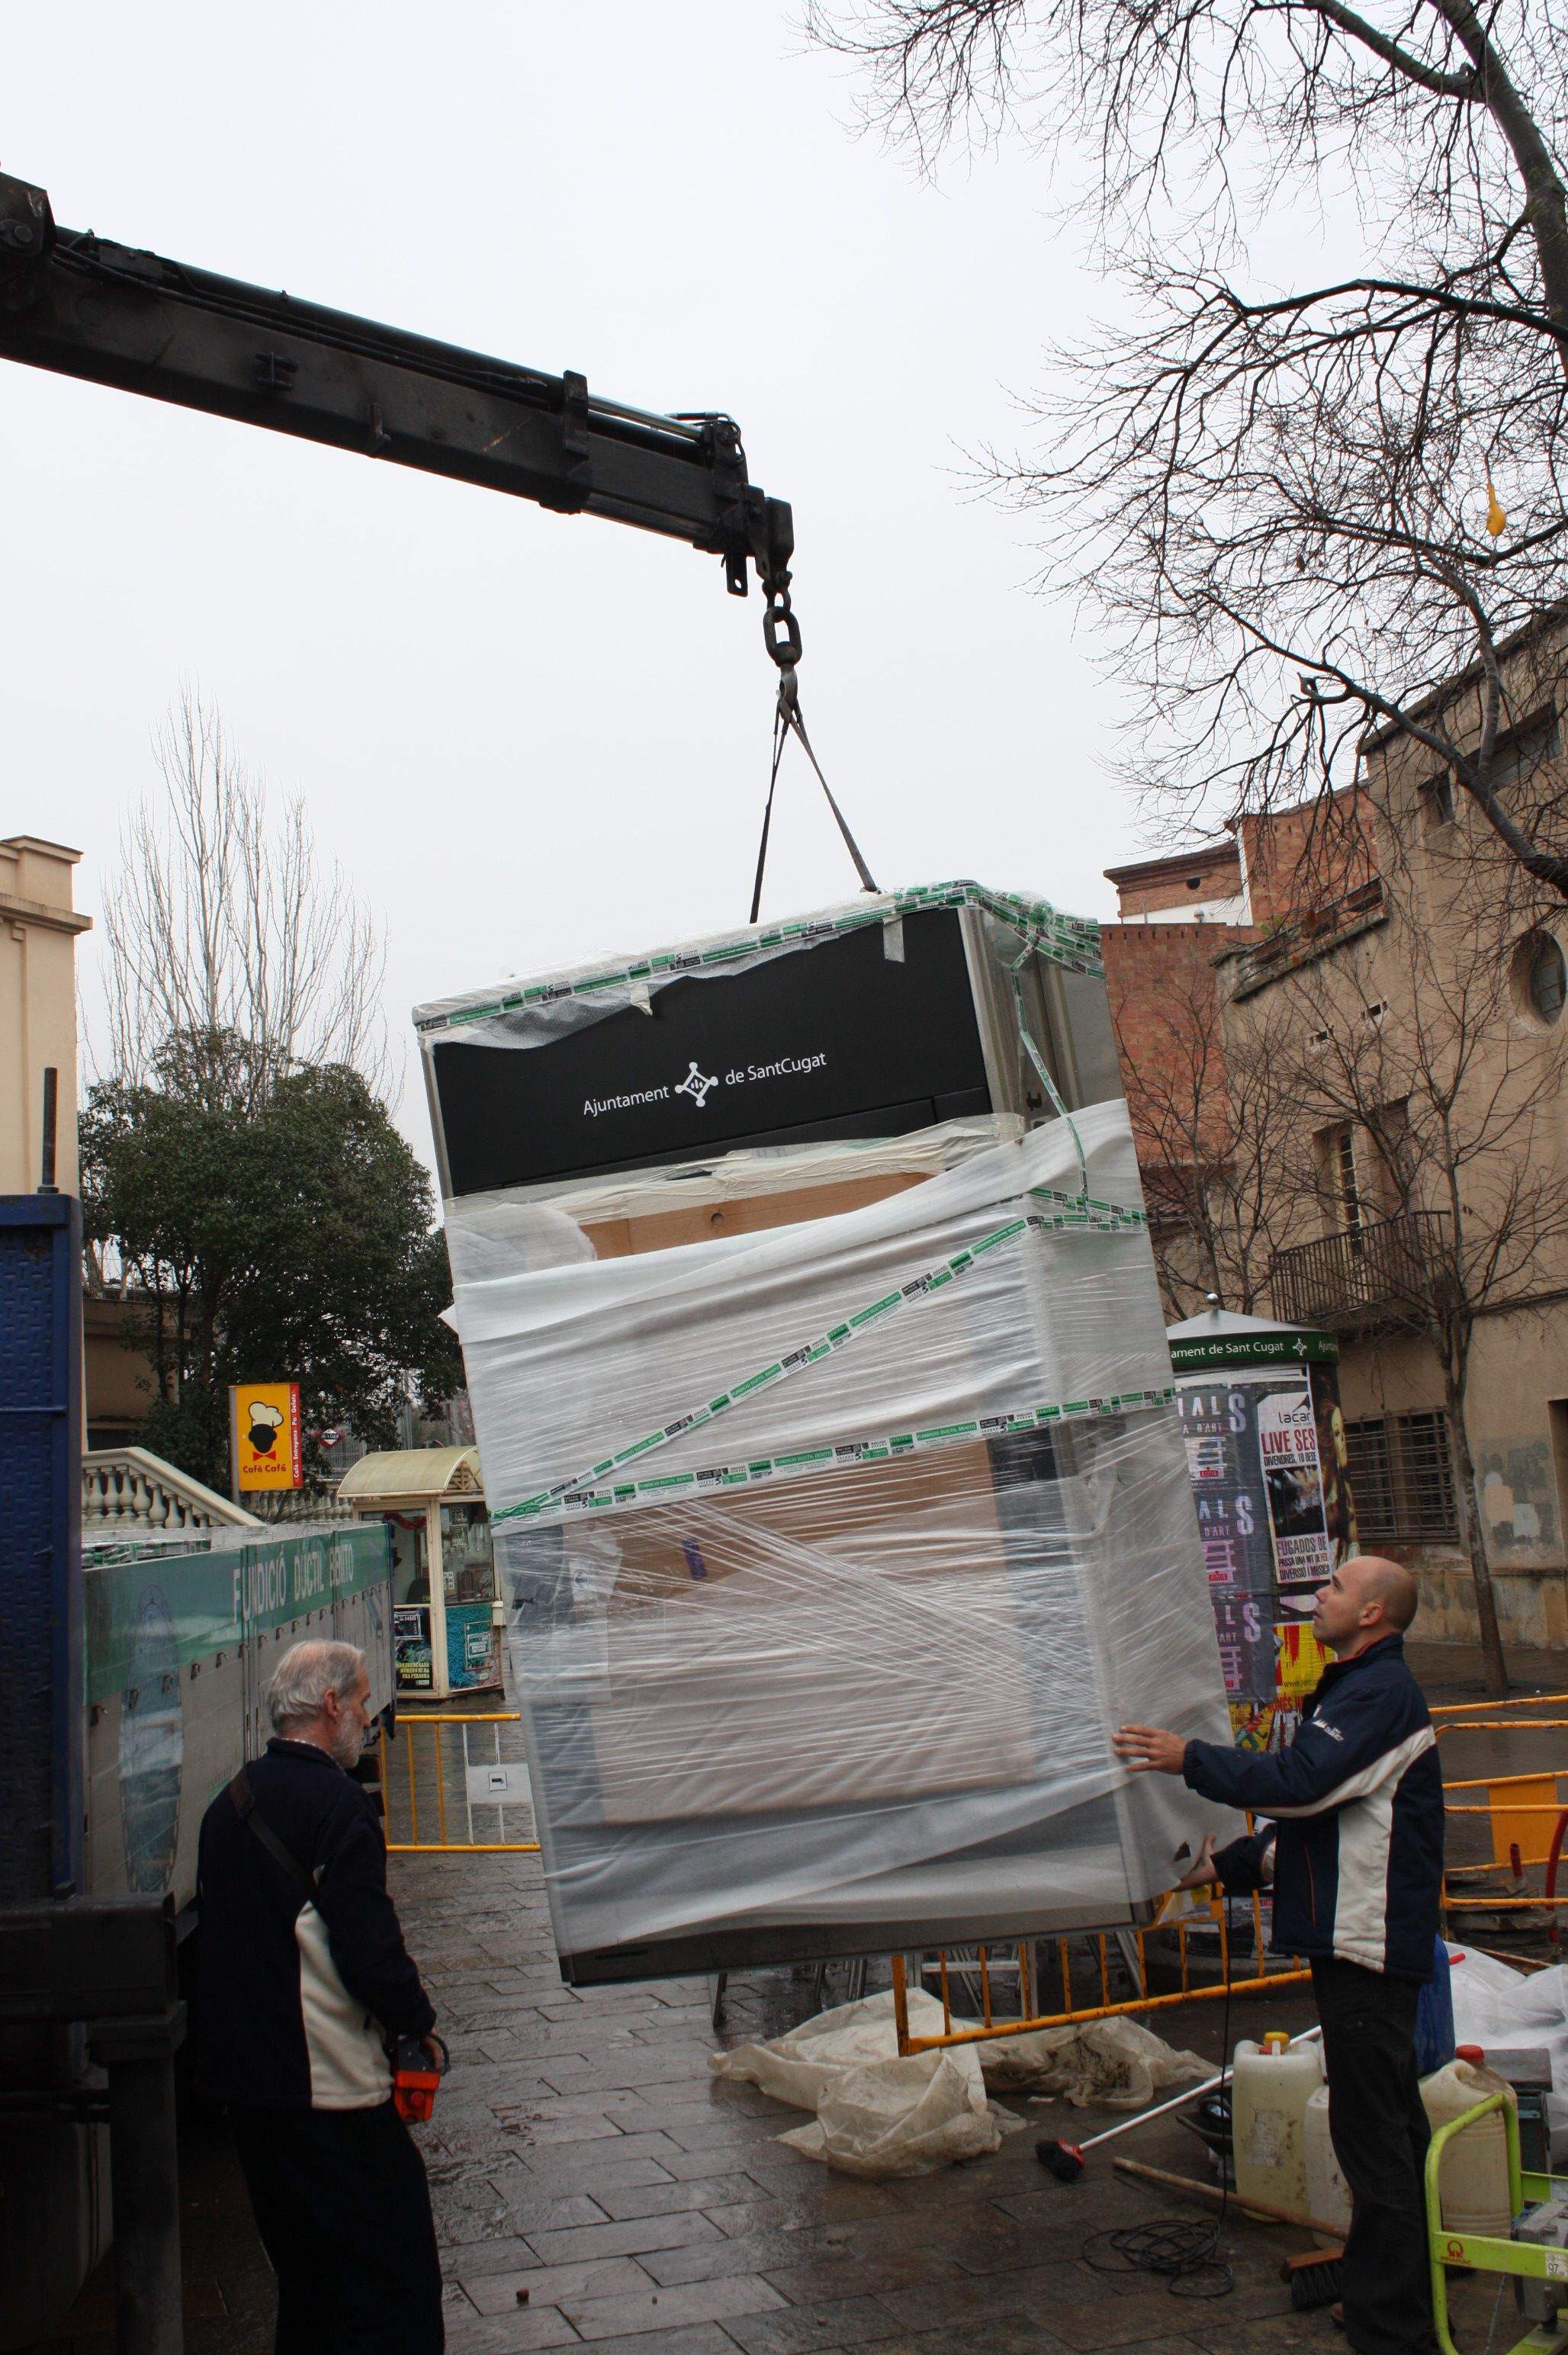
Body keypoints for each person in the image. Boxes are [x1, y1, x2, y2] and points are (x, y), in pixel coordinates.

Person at [1113, 1555, 1444, 2355]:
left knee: (1378, 2150)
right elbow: (1315, 1834)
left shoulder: (1378, 1695)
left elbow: (1300, 1786)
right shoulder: (1358, 1691)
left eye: (1334, 1587)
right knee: (1393, 2136)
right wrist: (1217, 1869)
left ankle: (1393, 2335)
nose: (1319, 1596)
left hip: (1364, 1951)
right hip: (1358, 1944)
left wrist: (1184, 1756)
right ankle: (1400, 2311)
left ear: (1371, 1615)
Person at [195, 1639, 445, 2354]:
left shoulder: (229, 1803)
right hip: (329, 2092)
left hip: (250, 2095)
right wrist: (417, 2024)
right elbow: (370, 1948)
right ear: (331, 1705)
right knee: (394, 2281)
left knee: (306, 2286)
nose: (368, 1716)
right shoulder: (338, 1807)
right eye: (363, 1699)